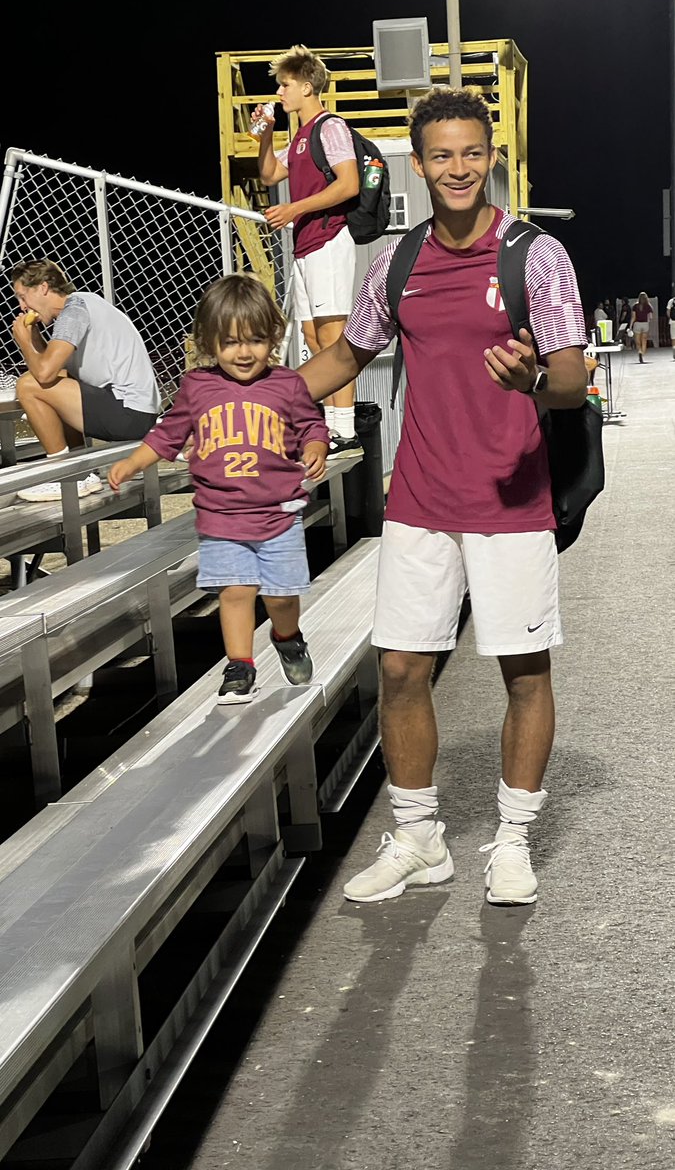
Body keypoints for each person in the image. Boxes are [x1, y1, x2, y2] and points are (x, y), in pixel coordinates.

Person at [299, 86, 588, 907]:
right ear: (417, 164)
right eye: (440, 155)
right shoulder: (394, 261)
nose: (457, 167)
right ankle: (420, 839)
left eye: (471, 152)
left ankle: (512, 839)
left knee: (522, 672)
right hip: (419, 496)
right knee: (398, 670)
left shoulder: (535, 256)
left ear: (489, 156)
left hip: (510, 498)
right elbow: (346, 358)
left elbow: (569, 379)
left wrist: (533, 375)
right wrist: (261, 398)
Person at [108, 273, 329, 704]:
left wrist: (316, 446)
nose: (243, 353)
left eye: (255, 340)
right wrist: (133, 462)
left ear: (274, 338)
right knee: (236, 590)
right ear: (210, 343)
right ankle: (239, 666)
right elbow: (168, 434)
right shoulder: (198, 387)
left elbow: (310, 425)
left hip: (279, 513)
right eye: (230, 343)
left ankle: (287, 637)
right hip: (221, 514)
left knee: (281, 597)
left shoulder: (288, 384)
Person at [252, 44, 362, 460]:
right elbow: (268, 174)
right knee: (315, 334)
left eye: (285, 85)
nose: (281, 93)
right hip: (306, 244)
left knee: (334, 334)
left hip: (329, 238)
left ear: (307, 86)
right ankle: (332, 424)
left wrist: (294, 208)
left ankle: (345, 428)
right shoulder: (299, 136)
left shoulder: (328, 126)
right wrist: (263, 136)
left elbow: (348, 183)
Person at [11, 259, 160, 501]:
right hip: (134, 410)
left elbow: (43, 374)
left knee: (28, 385)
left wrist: (24, 341)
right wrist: (35, 337)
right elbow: (49, 370)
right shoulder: (83, 304)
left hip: (128, 412)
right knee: (52, 381)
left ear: (43, 288)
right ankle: (81, 472)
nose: (22, 306)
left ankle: (66, 476)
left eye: (23, 296)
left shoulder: (75, 310)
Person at [631, 291, 653, 364]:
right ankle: (642, 352)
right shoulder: (648, 306)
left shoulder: (635, 306)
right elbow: (651, 317)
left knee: (637, 341)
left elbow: (633, 317)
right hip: (645, 324)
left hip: (637, 324)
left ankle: (639, 351)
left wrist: (630, 326)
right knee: (644, 340)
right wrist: (648, 321)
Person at [666, 286, 675, 360]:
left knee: (673, 337)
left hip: (673, 321)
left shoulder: (671, 301)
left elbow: (668, 311)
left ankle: (674, 350)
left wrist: (670, 318)